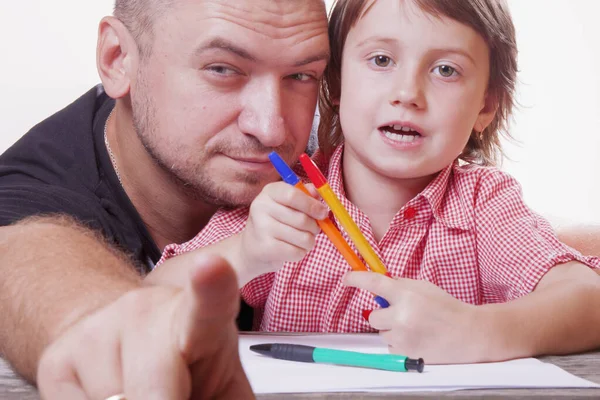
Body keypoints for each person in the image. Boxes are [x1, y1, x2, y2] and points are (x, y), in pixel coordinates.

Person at [156, 0, 600, 365]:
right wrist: (246, 253)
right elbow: (149, 301)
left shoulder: (487, 205)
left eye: (446, 70)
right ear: (336, 84)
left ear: (486, 105)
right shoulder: (290, 198)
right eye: (381, 60)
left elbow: (587, 298)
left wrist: (479, 331)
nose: (407, 92)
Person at [0, 0, 330, 398]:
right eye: (222, 69)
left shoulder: (346, 147)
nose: (270, 128)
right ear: (117, 58)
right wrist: (105, 327)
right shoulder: (36, 184)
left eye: (301, 75)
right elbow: (24, 254)